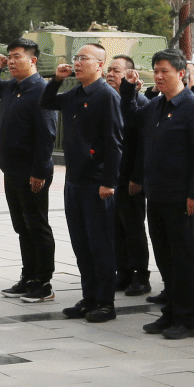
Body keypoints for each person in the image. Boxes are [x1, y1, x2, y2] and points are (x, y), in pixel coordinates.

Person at [131, 50, 194, 339]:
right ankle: (170, 313)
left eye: (165, 70)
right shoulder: (154, 106)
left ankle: (187, 320)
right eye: (156, 70)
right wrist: (131, 90)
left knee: (184, 259)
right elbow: (132, 120)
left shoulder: (193, 107)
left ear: (181, 73)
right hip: (157, 194)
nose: (159, 75)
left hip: (182, 197)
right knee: (165, 257)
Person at [41, 44, 123, 323]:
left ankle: (105, 302)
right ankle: (89, 297)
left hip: (96, 182)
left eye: (84, 58)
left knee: (100, 244)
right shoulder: (76, 93)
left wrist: (109, 181)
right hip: (74, 181)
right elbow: (46, 102)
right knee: (81, 243)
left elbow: (114, 142)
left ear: (99, 64)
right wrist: (57, 80)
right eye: (76, 58)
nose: (77, 63)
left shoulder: (106, 95)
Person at [0, 40, 59, 304]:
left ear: (33, 60)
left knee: (37, 225)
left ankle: (44, 281)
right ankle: (28, 276)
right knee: (22, 226)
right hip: (12, 170)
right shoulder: (12, 88)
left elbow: (47, 136)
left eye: (17, 57)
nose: (12, 61)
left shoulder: (41, 90)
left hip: (33, 172)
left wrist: (39, 171)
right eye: (9, 57)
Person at [107, 55, 153, 296]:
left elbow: (142, 145)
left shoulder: (140, 102)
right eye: (109, 70)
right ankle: (122, 271)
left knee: (133, 227)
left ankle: (140, 275)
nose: (110, 74)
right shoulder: (107, 99)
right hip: (112, 175)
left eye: (116, 70)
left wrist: (137, 177)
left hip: (130, 176)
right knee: (116, 227)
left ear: (130, 74)